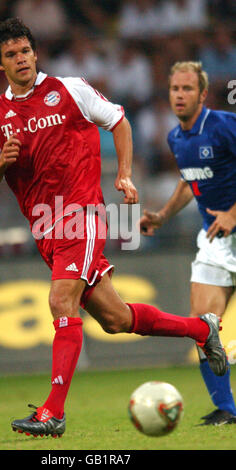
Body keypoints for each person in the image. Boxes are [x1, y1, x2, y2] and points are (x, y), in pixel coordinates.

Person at [0, 20, 227, 438]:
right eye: (11, 55)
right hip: (44, 228)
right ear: (0, 65)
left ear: (36, 53)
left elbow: (119, 122)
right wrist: (1, 163)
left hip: (81, 215)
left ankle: (53, 412)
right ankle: (203, 329)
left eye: (25, 51)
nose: (21, 59)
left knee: (60, 300)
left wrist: (124, 175)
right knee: (117, 319)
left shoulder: (70, 89)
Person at [139, 61, 236, 426]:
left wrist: (233, 213)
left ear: (202, 94)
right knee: (202, 327)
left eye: (187, 89)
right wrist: (163, 215)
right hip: (215, 241)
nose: (180, 95)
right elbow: (188, 181)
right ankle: (227, 409)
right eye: (175, 89)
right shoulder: (175, 138)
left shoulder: (225, 126)